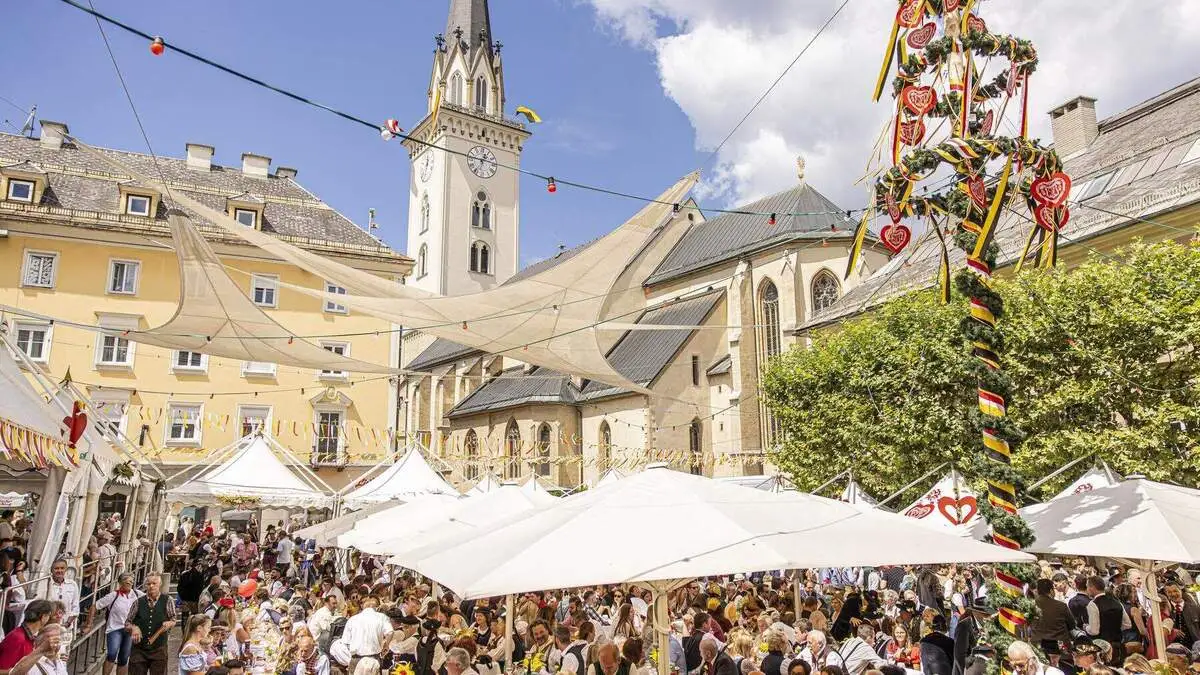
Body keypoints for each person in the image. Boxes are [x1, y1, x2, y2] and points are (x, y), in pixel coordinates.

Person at [128, 574, 178, 675]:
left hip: (159, 649)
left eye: (154, 583)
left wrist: (170, 623)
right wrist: (133, 627)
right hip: (139, 649)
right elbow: (127, 622)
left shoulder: (168, 600)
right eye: (148, 584)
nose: (151, 586)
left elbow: (173, 619)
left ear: (159, 584)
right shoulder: (138, 602)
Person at [96, 574, 140, 675]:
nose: (129, 583)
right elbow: (96, 605)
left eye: (130, 582)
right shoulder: (113, 595)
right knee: (112, 654)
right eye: (126, 581)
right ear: (120, 583)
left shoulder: (137, 594)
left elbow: (149, 599)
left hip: (129, 629)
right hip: (115, 628)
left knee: (124, 658)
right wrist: (88, 624)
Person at [1083, 577, 1130, 665]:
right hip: (1118, 645)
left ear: (1092, 587)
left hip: (1102, 648)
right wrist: (1114, 628)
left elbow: (1094, 631)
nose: (1087, 590)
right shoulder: (1117, 602)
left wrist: (1086, 627)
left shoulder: (1093, 604)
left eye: (1087, 587)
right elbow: (1127, 624)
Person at [0, 600, 55, 675]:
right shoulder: (18, 639)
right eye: (49, 615)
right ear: (43, 617)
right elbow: (3, 670)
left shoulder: (27, 637)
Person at [341, 597, 393, 673]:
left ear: (363, 607)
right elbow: (390, 632)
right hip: (374, 659)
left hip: (356, 659)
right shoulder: (382, 617)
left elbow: (346, 642)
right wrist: (386, 645)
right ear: (376, 608)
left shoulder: (352, 619)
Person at [1032, 578, 1076, 666]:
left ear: (1037, 591)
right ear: (1051, 591)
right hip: (1061, 646)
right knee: (1065, 668)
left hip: (1039, 645)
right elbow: (1072, 624)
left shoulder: (1031, 606)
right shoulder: (1061, 606)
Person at [43, 560, 80, 630]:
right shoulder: (46, 584)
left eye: (62, 568)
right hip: (49, 627)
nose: (59, 571)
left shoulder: (72, 584)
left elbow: (75, 607)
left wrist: (67, 623)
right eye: (56, 568)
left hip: (66, 627)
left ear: (66, 569)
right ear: (51, 570)